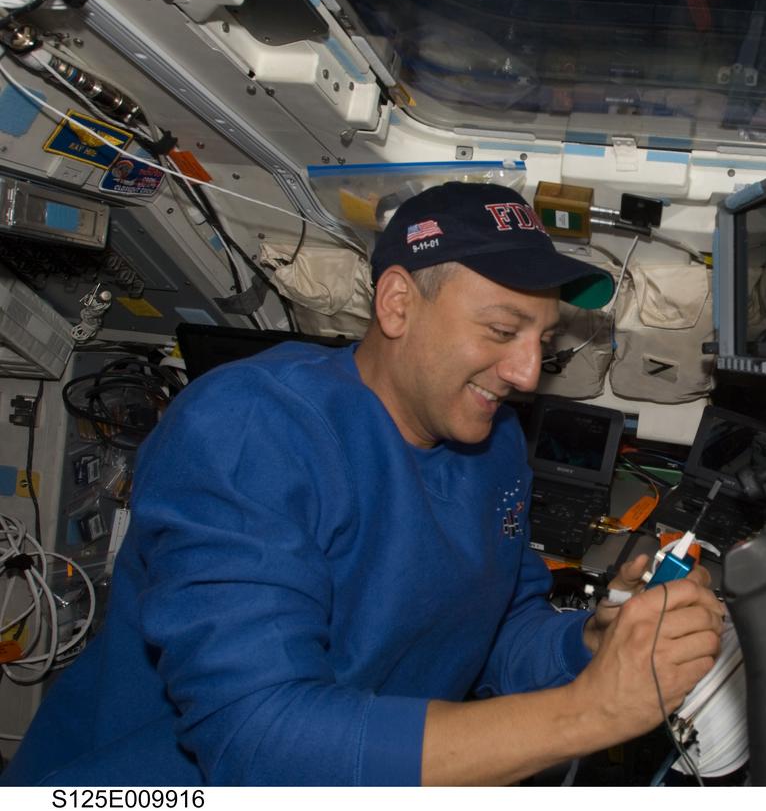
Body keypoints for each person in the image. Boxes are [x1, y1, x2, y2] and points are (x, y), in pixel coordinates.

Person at [1, 182, 724, 786]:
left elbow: (498, 624)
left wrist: (589, 644)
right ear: (398, 304)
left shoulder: (493, 439)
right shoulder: (249, 429)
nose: (527, 374)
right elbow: (255, 741)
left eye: (544, 342)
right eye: (503, 331)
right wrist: (590, 713)